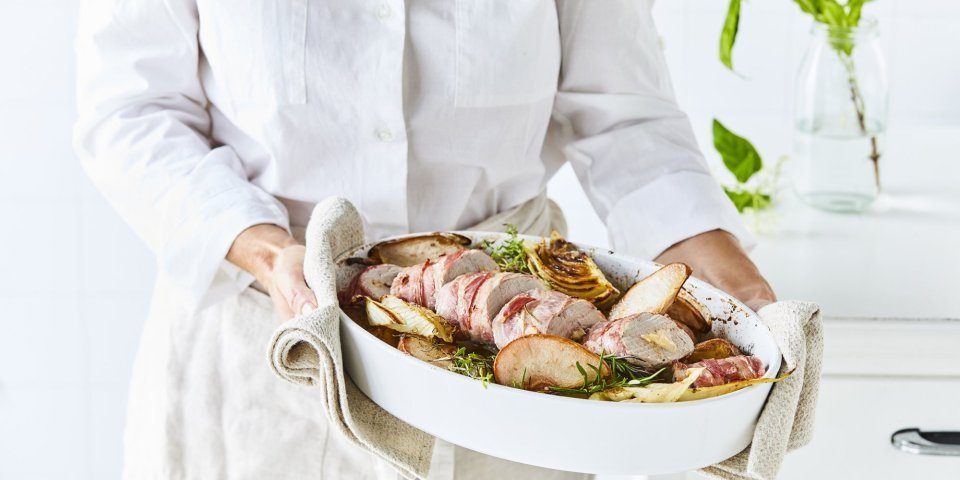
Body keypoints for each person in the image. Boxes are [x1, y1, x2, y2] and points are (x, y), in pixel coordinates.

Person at [74, 0, 775, 478]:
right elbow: (132, 112)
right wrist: (268, 253)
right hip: (269, 345)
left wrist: (745, 303)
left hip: (516, 364)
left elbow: (625, 121)